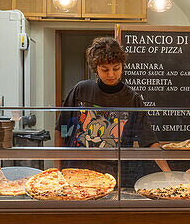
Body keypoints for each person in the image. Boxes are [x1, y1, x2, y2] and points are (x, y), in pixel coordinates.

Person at [58, 36, 169, 183]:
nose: (111, 74)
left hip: (114, 176)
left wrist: (168, 173)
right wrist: (57, 164)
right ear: (95, 68)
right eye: (105, 70)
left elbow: (148, 140)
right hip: (76, 171)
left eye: (116, 68)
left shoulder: (132, 99)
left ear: (122, 65)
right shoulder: (81, 90)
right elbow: (63, 126)